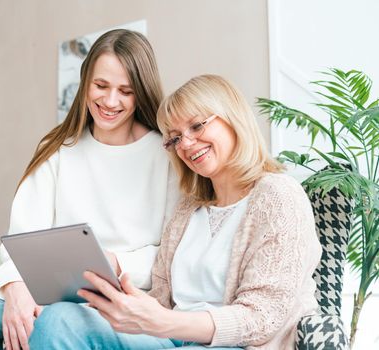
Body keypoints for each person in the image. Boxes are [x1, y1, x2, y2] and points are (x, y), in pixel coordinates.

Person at [0, 29, 178, 350]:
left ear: (141, 91)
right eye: (101, 86)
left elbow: (173, 251)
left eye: (125, 91)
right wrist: (15, 287)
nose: (110, 101)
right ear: (85, 83)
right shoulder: (57, 148)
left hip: (123, 295)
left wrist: (116, 262)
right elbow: (21, 240)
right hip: (51, 287)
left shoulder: (164, 154)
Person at [29, 75, 322, 349]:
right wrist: (123, 306)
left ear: (233, 119)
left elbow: (262, 317)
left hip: (231, 344)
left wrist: (163, 322)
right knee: (60, 319)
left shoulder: (277, 195)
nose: (187, 144)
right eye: (175, 138)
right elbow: (160, 301)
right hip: (169, 339)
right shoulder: (187, 208)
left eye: (197, 126)